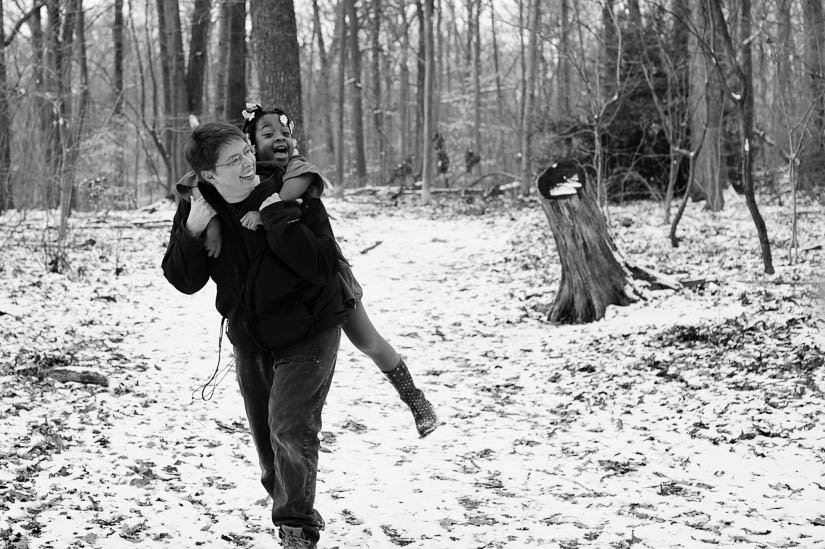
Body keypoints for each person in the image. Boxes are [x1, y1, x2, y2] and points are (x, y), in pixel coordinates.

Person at [179, 105, 439, 438]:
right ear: (249, 142)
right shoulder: (238, 171)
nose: (279, 139)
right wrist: (211, 225)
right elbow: (196, 183)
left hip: (326, 280)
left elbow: (290, 192)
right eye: (268, 134)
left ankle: (414, 397)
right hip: (269, 307)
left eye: (285, 134)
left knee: (366, 339)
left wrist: (264, 210)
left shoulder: (295, 170)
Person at [163, 122, 348, 548]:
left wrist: (277, 215)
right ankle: (288, 503)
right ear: (209, 175)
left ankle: (296, 528)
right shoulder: (199, 207)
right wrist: (193, 229)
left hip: (310, 328)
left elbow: (323, 266)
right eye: (234, 161)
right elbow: (183, 280)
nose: (249, 162)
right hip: (250, 337)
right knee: (268, 444)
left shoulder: (288, 192)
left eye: (247, 151)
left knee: (289, 427)